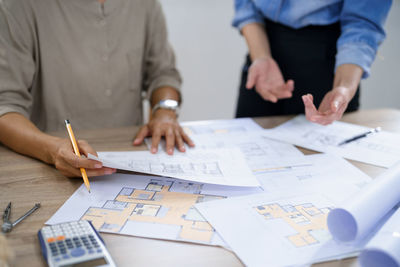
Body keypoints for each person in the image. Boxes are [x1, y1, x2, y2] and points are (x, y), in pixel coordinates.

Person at [0, 0, 194, 178]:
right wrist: (52, 150)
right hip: (47, 169)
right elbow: (5, 108)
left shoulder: (145, 4)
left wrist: (165, 111)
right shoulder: (18, 7)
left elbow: (163, 74)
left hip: (131, 163)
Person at [233, 0, 392, 125]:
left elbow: (362, 25)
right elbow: (246, 6)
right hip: (262, 55)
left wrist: (344, 87)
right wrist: (261, 56)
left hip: (331, 62)